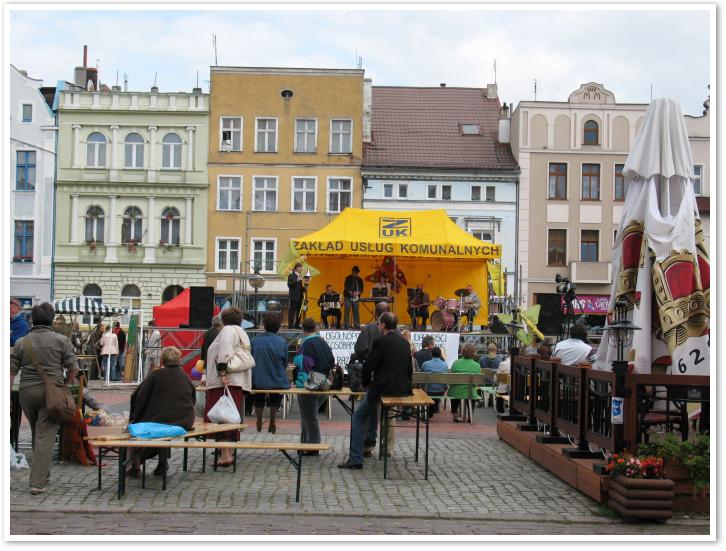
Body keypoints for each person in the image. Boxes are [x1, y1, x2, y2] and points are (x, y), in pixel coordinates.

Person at [10, 302, 78, 494]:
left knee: (37, 432)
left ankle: (44, 475)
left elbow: (11, 372)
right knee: (45, 435)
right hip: (52, 393)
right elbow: (73, 368)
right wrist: (64, 385)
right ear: (51, 319)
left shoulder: (21, 342)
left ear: (32, 319)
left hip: (27, 393)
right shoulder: (61, 340)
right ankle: (37, 483)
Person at [338, 312, 414, 469]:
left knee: (358, 418)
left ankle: (356, 458)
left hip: (382, 388)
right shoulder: (405, 343)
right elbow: (409, 369)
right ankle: (380, 446)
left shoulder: (380, 341)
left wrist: (366, 384)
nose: (377, 326)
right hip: (401, 389)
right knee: (380, 415)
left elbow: (368, 366)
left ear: (384, 325)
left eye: (379, 324)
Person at [125, 346, 196, 478]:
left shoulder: (156, 374)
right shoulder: (185, 376)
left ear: (162, 361)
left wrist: (135, 417)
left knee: (138, 426)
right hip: (184, 420)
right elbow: (193, 398)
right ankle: (162, 462)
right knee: (164, 422)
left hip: (164, 420)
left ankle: (133, 466)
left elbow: (138, 396)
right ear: (179, 360)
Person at [205, 307, 252, 466]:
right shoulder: (242, 332)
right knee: (231, 416)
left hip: (224, 382)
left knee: (221, 417)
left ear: (224, 319)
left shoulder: (227, 331)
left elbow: (224, 353)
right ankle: (228, 452)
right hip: (237, 381)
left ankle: (225, 455)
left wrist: (222, 374)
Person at [293, 318, 335, 453]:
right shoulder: (323, 342)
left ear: (302, 329)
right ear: (315, 328)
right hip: (325, 383)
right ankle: (304, 445)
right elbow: (332, 361)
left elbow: (305, 365)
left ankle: (312, 447)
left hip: (311, 382)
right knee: (308, 414)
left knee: (310, 416)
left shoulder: (307, 344)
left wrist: (300, 384)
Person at [251, 312, 289, 434]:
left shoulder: (254, 341)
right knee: (275, 398)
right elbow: (285, 363)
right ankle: (272, 420)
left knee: (258, 398)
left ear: (264, 325)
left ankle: (259, 420)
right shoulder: (282, 342)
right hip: (276, 378)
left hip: (258, 378)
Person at [448, 343, 482, 423]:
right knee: (471, 391)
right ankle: (470, 414)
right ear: (474, 352)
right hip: (470, 392)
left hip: (455, 392)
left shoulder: (456, 363)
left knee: (456, 389)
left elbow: (452, 379)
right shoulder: (477, 365)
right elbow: (477, 383)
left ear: (462, 352)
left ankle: (455, 413)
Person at [420, 347, 448, 417]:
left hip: (427, 390)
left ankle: (431, 407)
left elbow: (421, 376)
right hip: (440, 391)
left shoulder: (425, 364)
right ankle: (435, 405)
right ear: (440, 354)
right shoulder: (445, 365)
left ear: (431, 354)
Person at [287, 262, 304, 329]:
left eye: (302, 268)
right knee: (292, 311)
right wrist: (297, 280)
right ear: (297, 268)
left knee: (299, 312)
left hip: (300, 297)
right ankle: (290, 325)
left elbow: (299, 287)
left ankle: (297, 324)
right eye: (301, 268)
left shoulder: (300, 276)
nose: (302, 269)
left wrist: (305, 288)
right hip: (294, 297)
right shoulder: (291, 275)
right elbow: (289, 284)